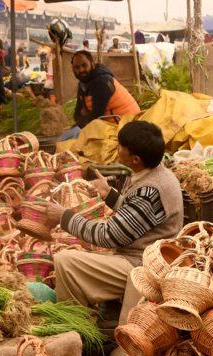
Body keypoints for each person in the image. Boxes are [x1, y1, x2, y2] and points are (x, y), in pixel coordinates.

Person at [48, 121, 183, 324]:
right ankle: (94, 322)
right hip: (137, 255)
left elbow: (109, 236)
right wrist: (109, 194)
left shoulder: (151, 191)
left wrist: (64, 217)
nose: (117, 150)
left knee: (66, 261)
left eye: (121, 147)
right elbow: (139, 218)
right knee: (76, 259)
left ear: (135, 159)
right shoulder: (154, 172)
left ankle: (75, 328)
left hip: (142, 265)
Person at [71, 50, 140, 130]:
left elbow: (96, 116)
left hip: (128, 125)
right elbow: (77, 113)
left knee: (75, 135)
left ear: (92, 65)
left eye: (84, 65)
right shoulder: (83, 83)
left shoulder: (102, 82)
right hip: (112, 123)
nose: (81, 70)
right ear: (72, 69)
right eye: (77, 67)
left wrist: (82, 123)